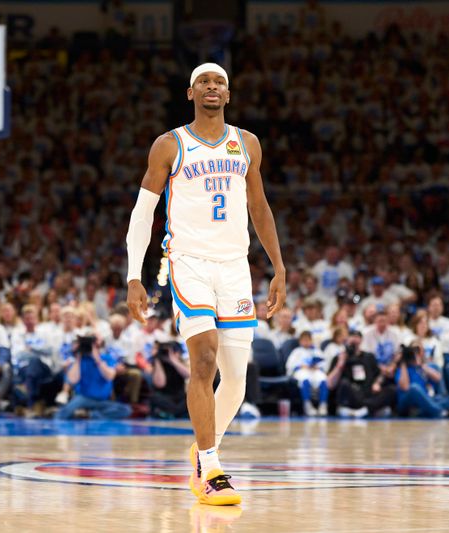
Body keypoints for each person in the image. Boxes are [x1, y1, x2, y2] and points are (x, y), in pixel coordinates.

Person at [126, 63, 285, 505]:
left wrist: (279, 267)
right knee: (205, 358)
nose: (212, 88)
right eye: (204, 82)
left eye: (219, 83)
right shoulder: (169, 144)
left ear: (228, 95)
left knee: (236, 377)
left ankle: (201, 449)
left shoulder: (247, 143)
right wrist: (133, 275)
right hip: (189, 262)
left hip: (235, 265)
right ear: (190, 92)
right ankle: (211, 465)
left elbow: (260, 207)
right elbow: (144, 213)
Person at [53, 333, 132, 420]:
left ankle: (90, 415)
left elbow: (110, 376)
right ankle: (88, 414)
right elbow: (72, 380)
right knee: (63, 414)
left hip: (102, 400)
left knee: (125, 410)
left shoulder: (106, 358)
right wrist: (78, 356)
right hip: (83, 398)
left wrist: (97, 359)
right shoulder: (79, 361)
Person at [327, 329, 396, 418]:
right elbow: (330, 384)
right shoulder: (339, 357)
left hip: (368, 393)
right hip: (351, 395)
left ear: (361, 340)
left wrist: (377, 383)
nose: (354, 340)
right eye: (352, 337)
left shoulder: (369, 357)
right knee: (344, 383)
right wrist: (340, 365)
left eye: (357, 337)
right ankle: (371, 409)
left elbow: (380, 375)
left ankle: (365, 410)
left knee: (391, 390)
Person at [395, 341, 449, 418]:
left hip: (426, 400)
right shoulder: (402, 369)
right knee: (414, 387)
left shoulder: (424, 367)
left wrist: (421, 365)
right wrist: (403, 362)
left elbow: (438, 378)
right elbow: (405, 387)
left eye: (418, 351)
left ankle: (423, 412)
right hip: (408, 402)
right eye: (414, 351)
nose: (416, 354)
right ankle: (440, 412)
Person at [285, 331, 329, 416]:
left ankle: (323, 405)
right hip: (301, 371)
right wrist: (301, 366)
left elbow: (324, 363)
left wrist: (317, 366)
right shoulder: (297, 351)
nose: (306, 342)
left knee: (323, 379)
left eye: (308, 340)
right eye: (304, 340)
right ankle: (307, 405)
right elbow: (290, 365)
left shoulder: (316, 351)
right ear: (300, 341)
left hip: (314, 371)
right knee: (305, 379)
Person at [149, 340, 191, 418]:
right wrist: (157, 360)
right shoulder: (158, 364)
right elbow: (160, 384)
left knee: (190, 397)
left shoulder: (180, 363)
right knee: (155, 398)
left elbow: (188, 375)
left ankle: (171, 412)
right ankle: (176, 412)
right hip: (164, 396)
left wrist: (173, 360)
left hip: (179, 396)